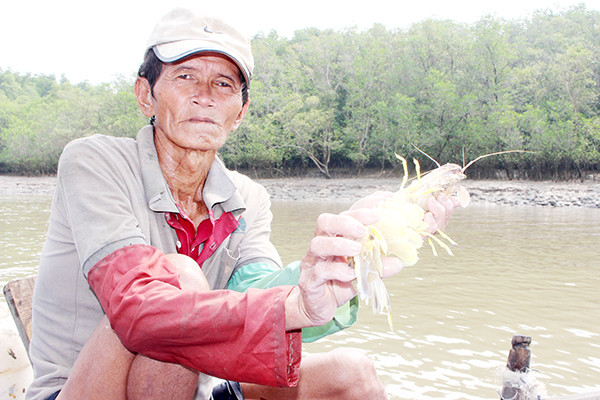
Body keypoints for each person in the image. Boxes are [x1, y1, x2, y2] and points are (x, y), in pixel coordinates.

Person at [26, 8, 457, 400]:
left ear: (240, 111)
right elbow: (137, 304)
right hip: (80, 389)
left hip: (195, 380)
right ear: (146, 94)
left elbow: (255, 295)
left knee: (353, 374)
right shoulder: (94, 161)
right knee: (177, 277)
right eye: (185, 76)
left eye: (224, 84)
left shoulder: (248, 198)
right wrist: (290, 306)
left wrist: (344, 261)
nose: (206, 96)